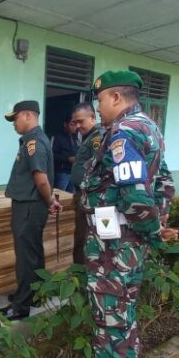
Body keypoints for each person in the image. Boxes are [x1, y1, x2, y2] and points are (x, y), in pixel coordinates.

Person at [67, 70, 177, 358]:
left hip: (114, 246)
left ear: (116, 97)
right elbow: (166, 183)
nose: (98, 108)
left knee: (107, 312)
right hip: (130, 244)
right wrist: (155, 226)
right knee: (125, 308)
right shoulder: (150, 128)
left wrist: (153, 232)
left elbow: (136, 198)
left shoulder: (123, 133)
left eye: (100, 100)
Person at [1, 100, 62, 321]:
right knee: (34, 253)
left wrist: (49, 202)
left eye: (15, 118)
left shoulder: (33, 142)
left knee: (26, 256)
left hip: (28, 206)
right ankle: (35, 294)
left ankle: (21, 305)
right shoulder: (35, 140)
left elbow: (41, 178)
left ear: (27, 115)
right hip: (32, 205)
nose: (14, 123)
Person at [69, 102, 104, 264]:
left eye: (81, 121)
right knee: (80, 239)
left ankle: (81, 279)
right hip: (83, 196)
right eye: (75, 122)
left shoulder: (97, 138)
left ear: (92, 117)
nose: (77, 126)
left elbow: (100, 170)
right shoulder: (88, 137)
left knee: (83, 242)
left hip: (90, 199)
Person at [52, 117, 80, 193]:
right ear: (65, 124)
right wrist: (67, 159)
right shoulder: (58, 137)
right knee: (59, 196)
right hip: (62, 172)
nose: (74, 127)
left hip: (73, 172)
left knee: (71, 198)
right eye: (72, 124)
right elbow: (52, 155)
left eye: (75, 124)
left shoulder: (76, 137)